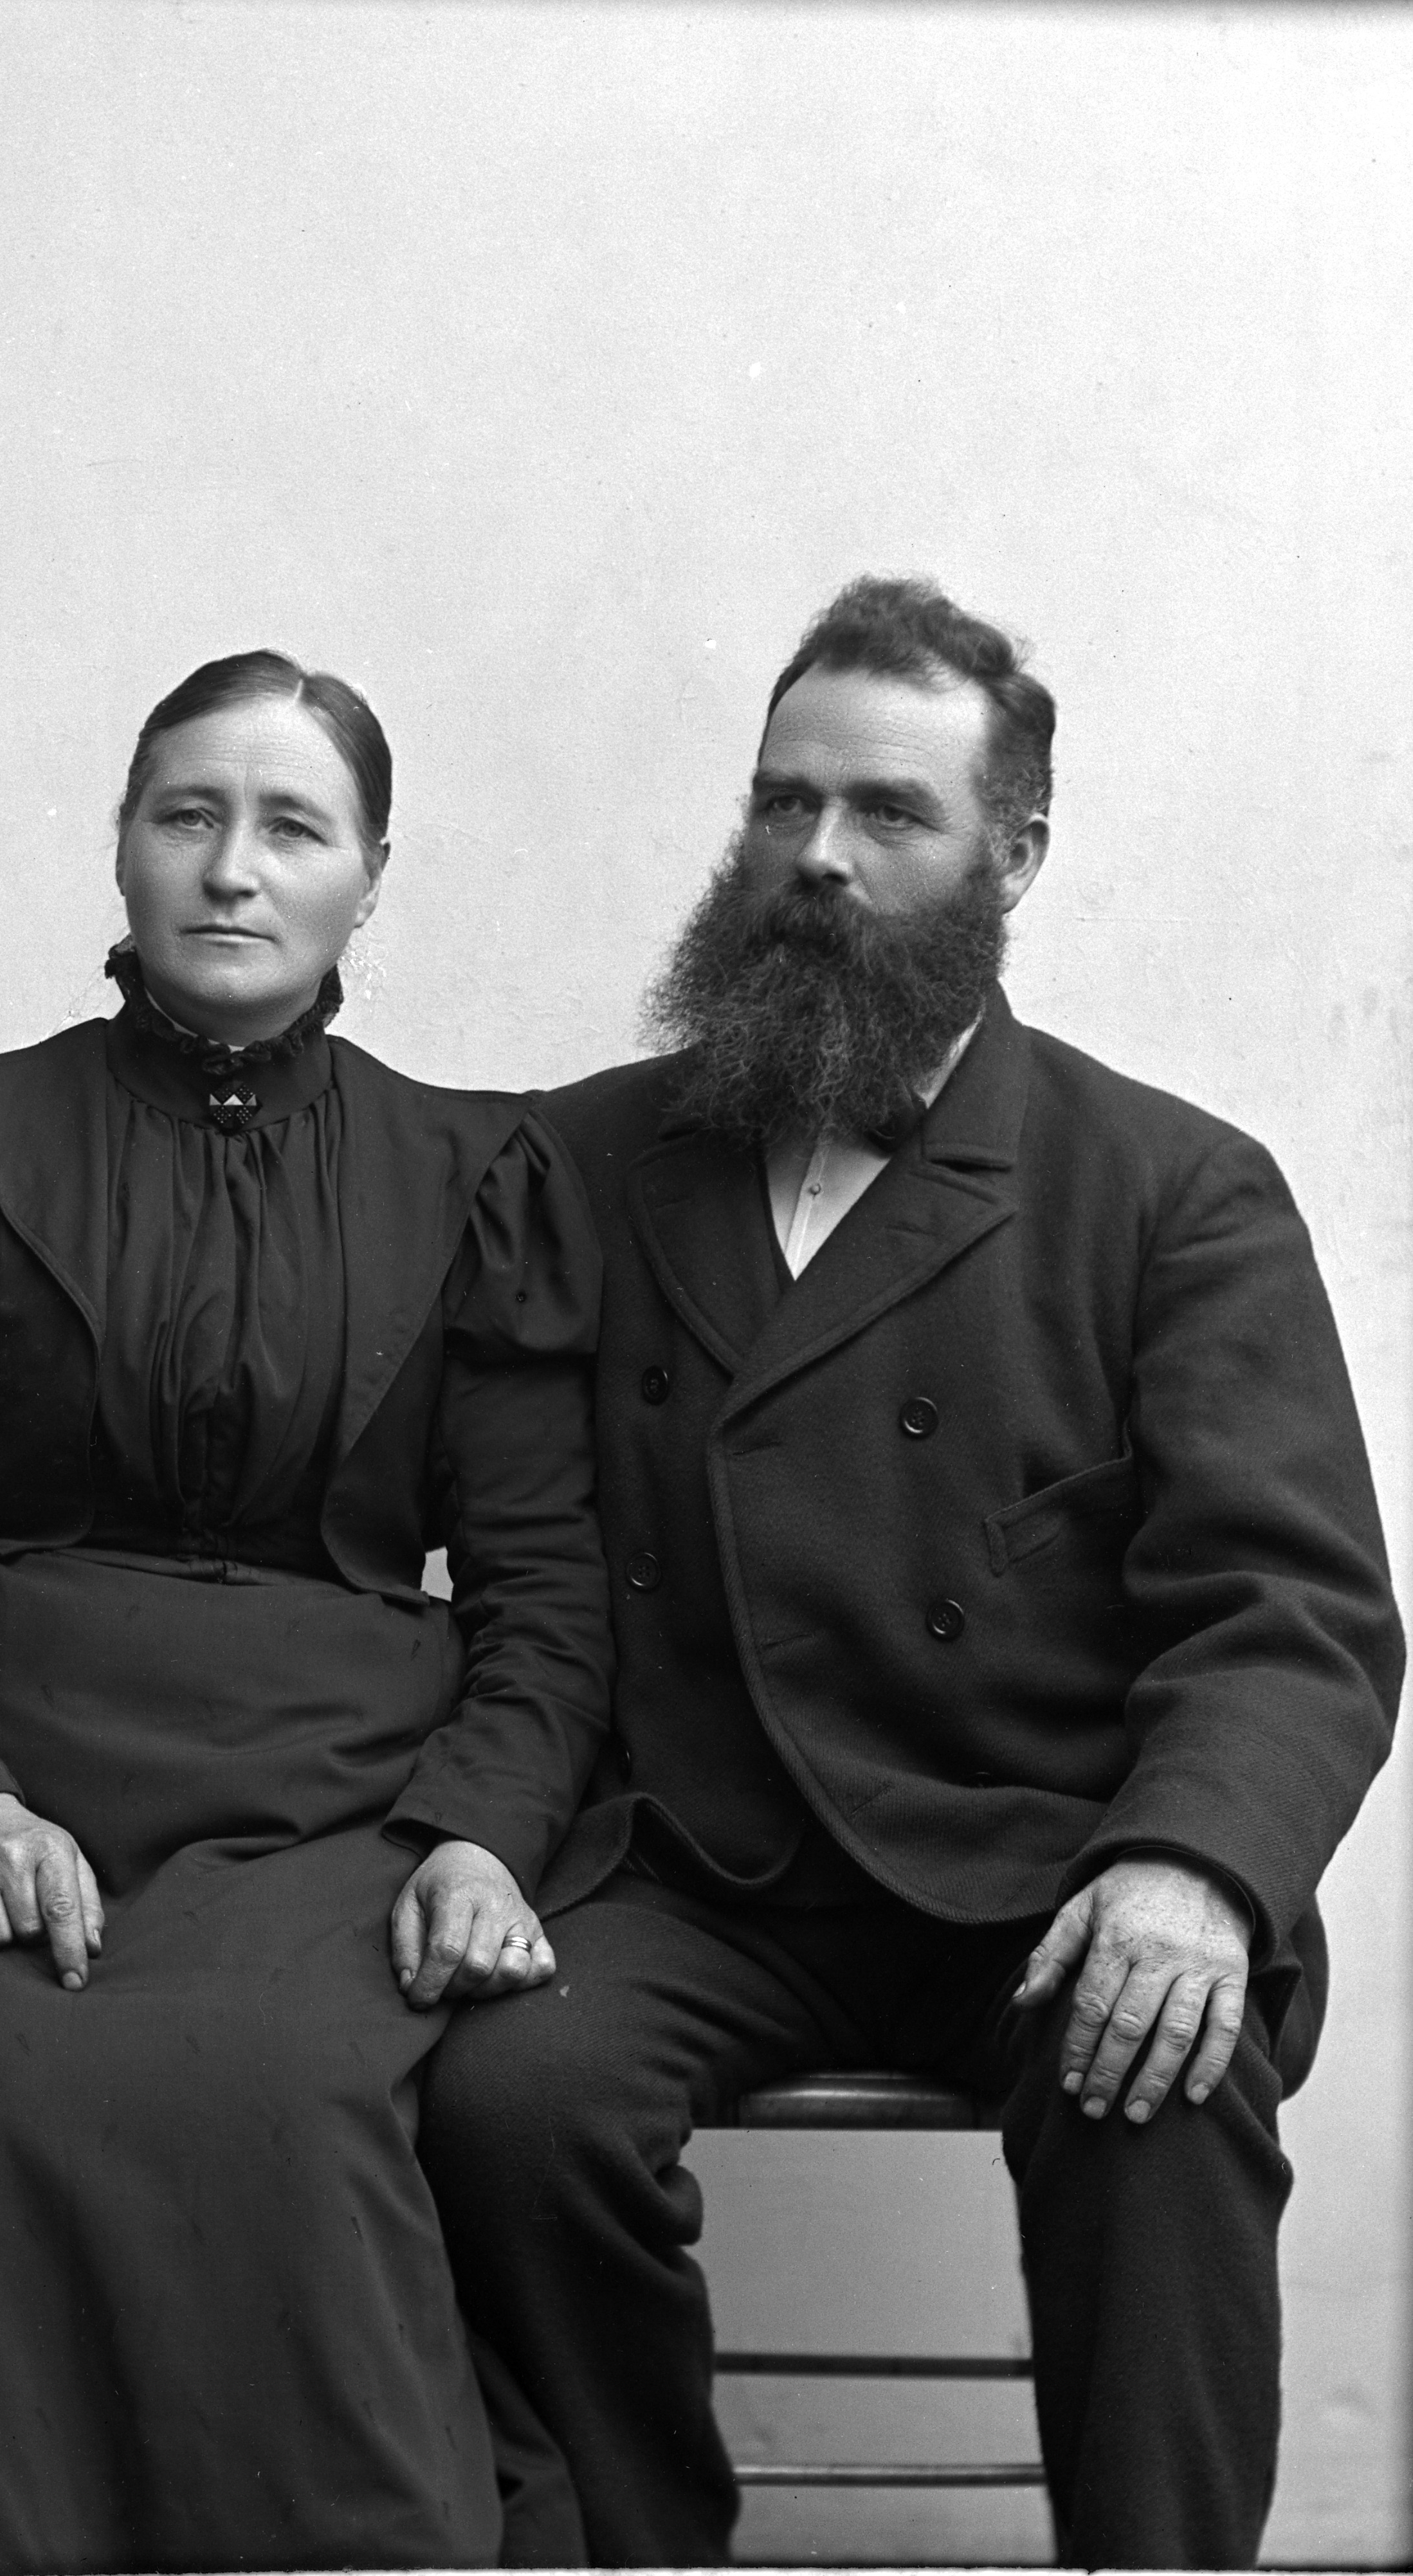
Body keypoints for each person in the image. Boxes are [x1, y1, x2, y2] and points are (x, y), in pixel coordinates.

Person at [419, 577, 1404, 2570]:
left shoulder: (1168, 1190)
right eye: (782, 801)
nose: (814, 855)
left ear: (1011, 855)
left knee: (1163, 2070)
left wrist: (1191, 1871)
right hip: (695, 1867)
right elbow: (510, 1556)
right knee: (501, 2097)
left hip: (1034, 1870)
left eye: (884, 811)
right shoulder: (585, 1161)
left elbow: (1289, 1614)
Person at [0, 650, 612, 2573]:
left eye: (293, 826)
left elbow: (545, 1595)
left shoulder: (477, 1180)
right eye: (186, 815)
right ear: (122, 845)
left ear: (370, 877)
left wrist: (481, 1835)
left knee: (276, 2100)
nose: (231, 868)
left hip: (324, 1807)